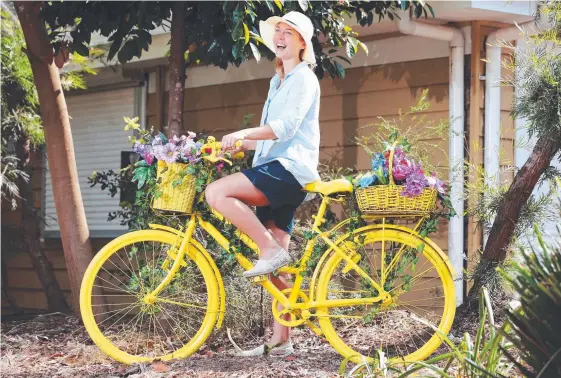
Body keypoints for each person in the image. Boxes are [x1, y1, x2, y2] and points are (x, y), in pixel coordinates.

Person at [204, 11, 321, 356]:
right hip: (276, 166)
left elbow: (284, 128)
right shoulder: (278, 81)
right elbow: (268, 138)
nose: (281, 36)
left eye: (289, 32)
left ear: (302, 42)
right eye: (278, 31)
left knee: (217, 192)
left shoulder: (304, 79)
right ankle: (281, 340)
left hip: (288, 170)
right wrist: (236, 144)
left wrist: (242, 132)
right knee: (276, 266)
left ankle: (270, 249)